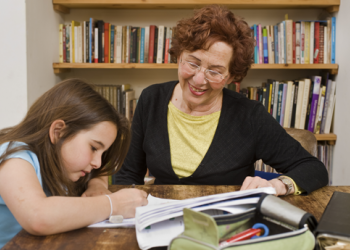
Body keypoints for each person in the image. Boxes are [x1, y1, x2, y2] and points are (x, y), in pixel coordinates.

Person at [115, 5, 328, 195]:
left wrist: (280, 185)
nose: (199, 79)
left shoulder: (249, 115)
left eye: (215, 72)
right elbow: (128, 175)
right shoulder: (151, 99)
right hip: (159, 220)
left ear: (232, 76)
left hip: (226, 226)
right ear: (179, 56)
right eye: (193, 63)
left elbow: (313, 168)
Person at [0, 79, 148, 248]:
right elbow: (38, 216)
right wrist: (113, 204)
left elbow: (102, 171)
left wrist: (96, 184)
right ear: (59, 131)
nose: (98, 163)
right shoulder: (14, 157)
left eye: (103, 153)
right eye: (93, 148)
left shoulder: (62, 164)